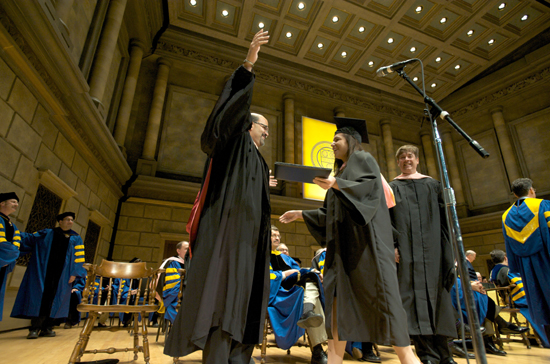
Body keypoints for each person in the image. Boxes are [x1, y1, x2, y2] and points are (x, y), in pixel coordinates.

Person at [164, 29, 277, 364]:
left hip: (250, 239)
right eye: (263, 126)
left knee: (247, 295)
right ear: (247, 125)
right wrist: (248, 65)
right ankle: (218, 355)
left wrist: (261, 186)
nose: (266, 132)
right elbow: (228, 115)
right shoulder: (236, 140)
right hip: (230, 233)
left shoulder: (255, 157)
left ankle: (239, 354)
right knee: (223, 294)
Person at [280, 118, 420, 364]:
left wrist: (337, 185)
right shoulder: (339, 174)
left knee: (386, 307)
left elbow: (367, 192)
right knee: (338, 312)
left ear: (351, 141)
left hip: (368, 251)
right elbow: (329, 215)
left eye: (337, 139)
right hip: (342, 254)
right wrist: (300, 214)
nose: (332, 144)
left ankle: (409, 359)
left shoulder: (363, 160)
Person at [389, 145, 457, 364]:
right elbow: (386, 220)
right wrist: (392, 246)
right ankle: (427, 354)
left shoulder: (433, 185)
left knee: (440, 300)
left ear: (417, 160)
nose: (406, 160)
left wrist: (449, 252)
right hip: (407, 253)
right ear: (397, 162)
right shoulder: (392, 187)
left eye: (410, 156)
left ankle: (446, 354)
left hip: (434, 251)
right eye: (402, 157)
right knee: (413, 301)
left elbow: (445, 222)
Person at [11, 211, 85, 339]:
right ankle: (34, 328)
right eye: (67, 219)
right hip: (44, 272)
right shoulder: (47, 234)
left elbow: (79, 258)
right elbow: (28, 239)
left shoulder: (76, 238)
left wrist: (75, 273)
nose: (70, 222)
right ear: (60, 221)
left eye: (72, 220)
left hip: (63, 275)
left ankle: (47, 327)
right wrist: (11, 231)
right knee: (39, 300)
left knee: (56, 301)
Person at [502, 178, 550, 347]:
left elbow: (509, 245)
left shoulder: (506, 216)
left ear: (515, 194)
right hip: (546, 260)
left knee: (541, 307)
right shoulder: (542, 205)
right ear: (531, 190)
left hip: (526, 268)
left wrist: (515, 267)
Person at [268, 225, 327, 364]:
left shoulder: (286, 258)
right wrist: (284, 274)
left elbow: (299, 271)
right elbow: (266, 279)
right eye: (273, 235)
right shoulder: (262, 256)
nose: (277, 237)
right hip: (279, 294)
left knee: (310, 280)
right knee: (310, 294)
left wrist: (313, 271)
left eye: (278, 235)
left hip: (295, 292)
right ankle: (317, 350)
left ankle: (308, 311)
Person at [0, 192, 22, 321]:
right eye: (13, 201)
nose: (16, 204)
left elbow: (16, 245)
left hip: (4, 263)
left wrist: (9, 258)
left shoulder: (12, 225)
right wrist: (10, 255)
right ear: (2, 203)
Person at [158, 241, 188, 324]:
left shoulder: (190, 262)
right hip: (175, 294)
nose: (188, 251)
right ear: (178, 251)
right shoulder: (173, 262)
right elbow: (173, 283)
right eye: (186, 249)